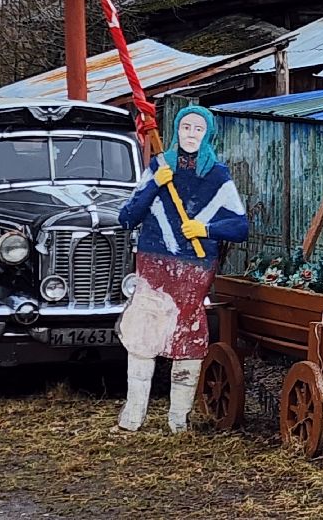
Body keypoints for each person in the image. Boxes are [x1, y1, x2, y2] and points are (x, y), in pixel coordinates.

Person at [115, 104, 248, 432]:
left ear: (208, 134)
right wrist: (154, 185)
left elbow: (240, 227)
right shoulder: (160, 165)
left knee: (187, 337)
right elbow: (127, 217)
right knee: (143, 336)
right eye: (185, 127)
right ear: (176, 131)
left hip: (193, 269)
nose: (191, 134)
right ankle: (132, 419)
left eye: (198, 129)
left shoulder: (217, 175)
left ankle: (178, 422)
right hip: (153, 264)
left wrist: (205, 230)